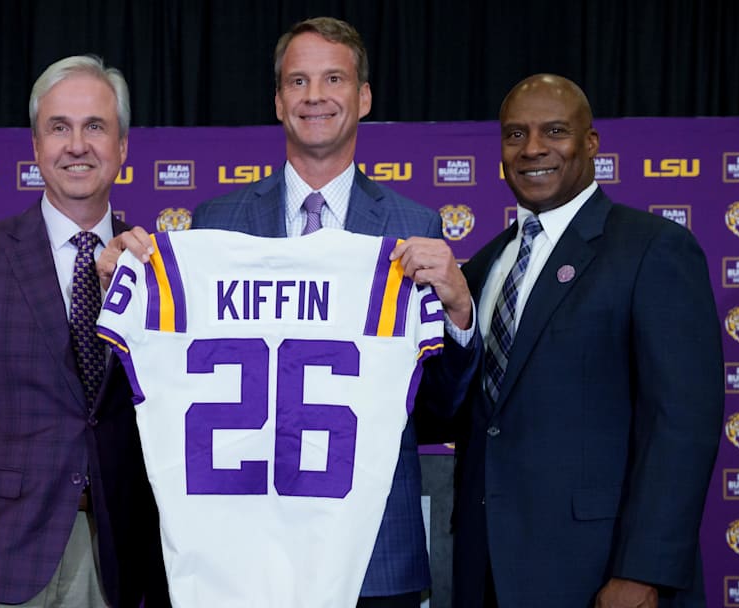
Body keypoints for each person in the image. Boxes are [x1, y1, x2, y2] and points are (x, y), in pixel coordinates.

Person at [100, 17, 474, 608]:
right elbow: (168, 381)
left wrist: (458, 314)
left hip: (374, 554)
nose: (315, 96)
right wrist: (125, 290)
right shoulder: (214, 224)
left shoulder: (413, 229)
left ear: (365, 96)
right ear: (278, 102)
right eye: (297, 82)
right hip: (243, 551)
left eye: (333, 79)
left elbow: (439, 408)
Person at [0, 55, 168, 608]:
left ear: (123, 147)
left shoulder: (159, 267)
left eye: (95, 126)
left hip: (116, 555)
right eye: (58, 127)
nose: (77, 144)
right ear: (36, 146)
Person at [446, 74, 725, 607]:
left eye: (554, 131)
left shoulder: (653, 249)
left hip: (601, 572)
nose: (533, 149)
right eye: (515, 135)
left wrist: (643, 571)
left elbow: (682, 424)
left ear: (590, 142)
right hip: (486, 573)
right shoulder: (484, 266)